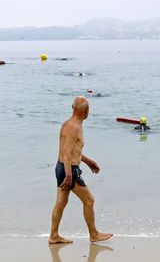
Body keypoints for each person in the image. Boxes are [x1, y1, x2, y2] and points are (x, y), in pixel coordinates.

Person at [49, 96, 113, 244]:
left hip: (61, 167)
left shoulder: (67, 124)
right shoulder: (75, 127)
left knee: (61, 202)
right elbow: (67, 153)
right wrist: (69, 176)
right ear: (87, 111)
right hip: (68, 170)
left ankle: (53, 236)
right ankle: (94, 234)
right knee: (89, 201)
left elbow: (71, 151)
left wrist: (88, 161)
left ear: (73, 108)